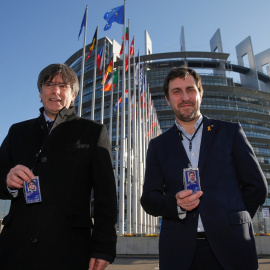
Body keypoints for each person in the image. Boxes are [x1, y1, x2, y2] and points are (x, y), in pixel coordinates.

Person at [141, 66, 268, 270]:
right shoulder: (158, 146)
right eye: (177, 91)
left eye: (190, 89)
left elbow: (257, 187)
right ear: (167, 99)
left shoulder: (230, 132)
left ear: (200, 93)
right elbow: (149, 198)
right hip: (179, 252)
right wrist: (176, 205)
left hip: (233, 248)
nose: (185, 97)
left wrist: (234, 219)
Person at [0, 63, 117, 270]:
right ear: (40, 92)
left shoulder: (93, 132)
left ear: (73, 95)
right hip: (15, 250)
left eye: (63, 86)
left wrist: (103, 246)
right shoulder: (18, 131)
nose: (55, 91)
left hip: (69, 250)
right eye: (49, 84)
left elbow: (105, 197)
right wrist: (8, 181)